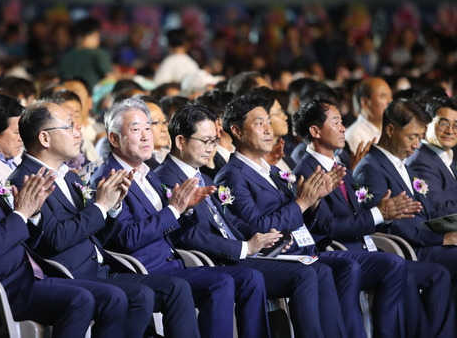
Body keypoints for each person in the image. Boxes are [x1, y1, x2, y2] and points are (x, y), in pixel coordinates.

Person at [0, 100, 125, 337]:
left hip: (32, 275)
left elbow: (27, 235)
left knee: (113, 297)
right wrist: (21, 213)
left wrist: (35, 214)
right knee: (79, 300)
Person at [215, 94, 408, 338]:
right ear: (237, 131)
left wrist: (314, 203)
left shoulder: (273, 171)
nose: (268, 129)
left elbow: (305, 220)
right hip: (273, 257)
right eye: (258, 123)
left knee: (345, 266)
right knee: (316, 271)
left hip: (305, 249)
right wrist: (302, 202)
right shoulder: (232, 175)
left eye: (267, 122)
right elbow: (256, 227)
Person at [8, 100, 200, 338]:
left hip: (101, 267)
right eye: (68, 127)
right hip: (69, 275)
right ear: (45, 139)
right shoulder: (24, 181)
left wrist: (112, 209)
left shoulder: (68, 176)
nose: (77, 132)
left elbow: (98, 233)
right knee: (133, 296)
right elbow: (54, 240)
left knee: (159, 291)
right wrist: (100, 206)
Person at [155, 104, 346, 338]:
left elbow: (228, 220)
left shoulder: (202, 175)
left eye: (214, 141)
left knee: (320, 270)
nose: (210, 149)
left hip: (240, 252)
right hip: (214, 260)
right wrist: (244, 247)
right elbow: (187, 235)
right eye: (205, 141)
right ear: (181, 141)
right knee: (304, 274)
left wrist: (263, 238)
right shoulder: (165, 178)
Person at [91, 98, 271, 338]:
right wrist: (174, 210)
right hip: (145, 271)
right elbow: (126, 238)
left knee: (237, 279)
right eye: (136, 130)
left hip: (175, 263)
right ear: (114, 139)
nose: (146, 136)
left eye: (148, 128)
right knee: (220, 283)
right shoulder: (110, 178)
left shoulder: (147, 174)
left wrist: (186, 211)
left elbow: (173, 227)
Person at [293, 98, 455, 338]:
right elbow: (327, 228)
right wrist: (380, 213)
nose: (343, 128)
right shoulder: (307, 172)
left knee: (421, 273)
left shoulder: (338, 168)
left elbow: (360, 213)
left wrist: (378, 212)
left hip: (369, 248)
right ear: (315, 131)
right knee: (398, 267)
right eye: (336, 122)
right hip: (344, 252)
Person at [354, 99, 457, 282]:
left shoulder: (404, 167)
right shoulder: (369, 169)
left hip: (425, 242)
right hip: (408, 250)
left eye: (420, 137)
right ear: (390, 130)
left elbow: (427, 211)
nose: (417, 145)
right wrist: (441, 239)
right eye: (412, 137)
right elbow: (391, 225)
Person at [406, 97, 457, 212]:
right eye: (443, 123)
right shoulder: (420, 161)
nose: (450, 131)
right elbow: (439, 209)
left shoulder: (447, 158)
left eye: (456, 126)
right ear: (426, 124)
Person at [59, 17, 114, 88]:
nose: (99, 40)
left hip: (70, 96)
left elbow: (59, 79)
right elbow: (110, 79)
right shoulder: (98, 54)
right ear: (92, 34)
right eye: (97, 36)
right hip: (92, 97)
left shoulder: (66, 56)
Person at [345, 78, 392, 154]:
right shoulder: (355, 136)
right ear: (365, 102)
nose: (390, 101)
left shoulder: (389, 129)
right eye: (383, 96)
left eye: (390, 96)